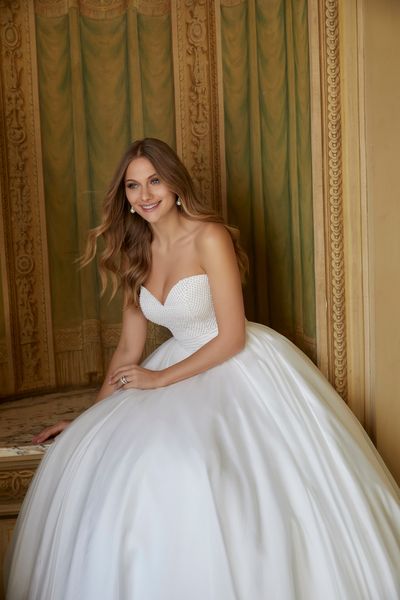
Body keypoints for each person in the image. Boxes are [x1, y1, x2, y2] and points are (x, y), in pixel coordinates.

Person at [5, 138, 400, 600]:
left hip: (237, 361)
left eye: (154, 180)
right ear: (125, 197)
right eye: (133, 186)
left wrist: (158, 380)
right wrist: (89, 420)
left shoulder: (209, 236)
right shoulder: (138, 251)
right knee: (122, 462)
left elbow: (232, 335)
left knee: (202, 465)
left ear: (175, 183)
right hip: (173, 365)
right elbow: (128, 351)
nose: (145, 194)